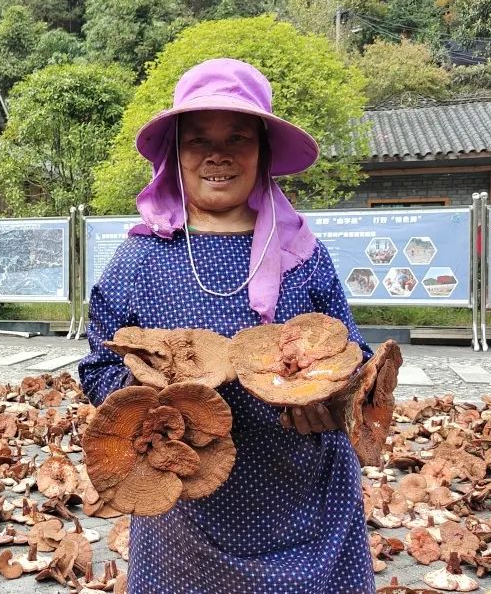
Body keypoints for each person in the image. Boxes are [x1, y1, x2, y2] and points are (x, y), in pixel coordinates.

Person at [78, 59, 374, 593]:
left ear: (261, 151)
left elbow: (353, 355)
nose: (217, 154)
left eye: (237, 136)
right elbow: (99, 361)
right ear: (176, 153)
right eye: (197, 141)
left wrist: (335, 402)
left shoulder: (302, 253)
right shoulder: (140, 258)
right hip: (183, 506)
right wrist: (146, 400)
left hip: (305, 499)